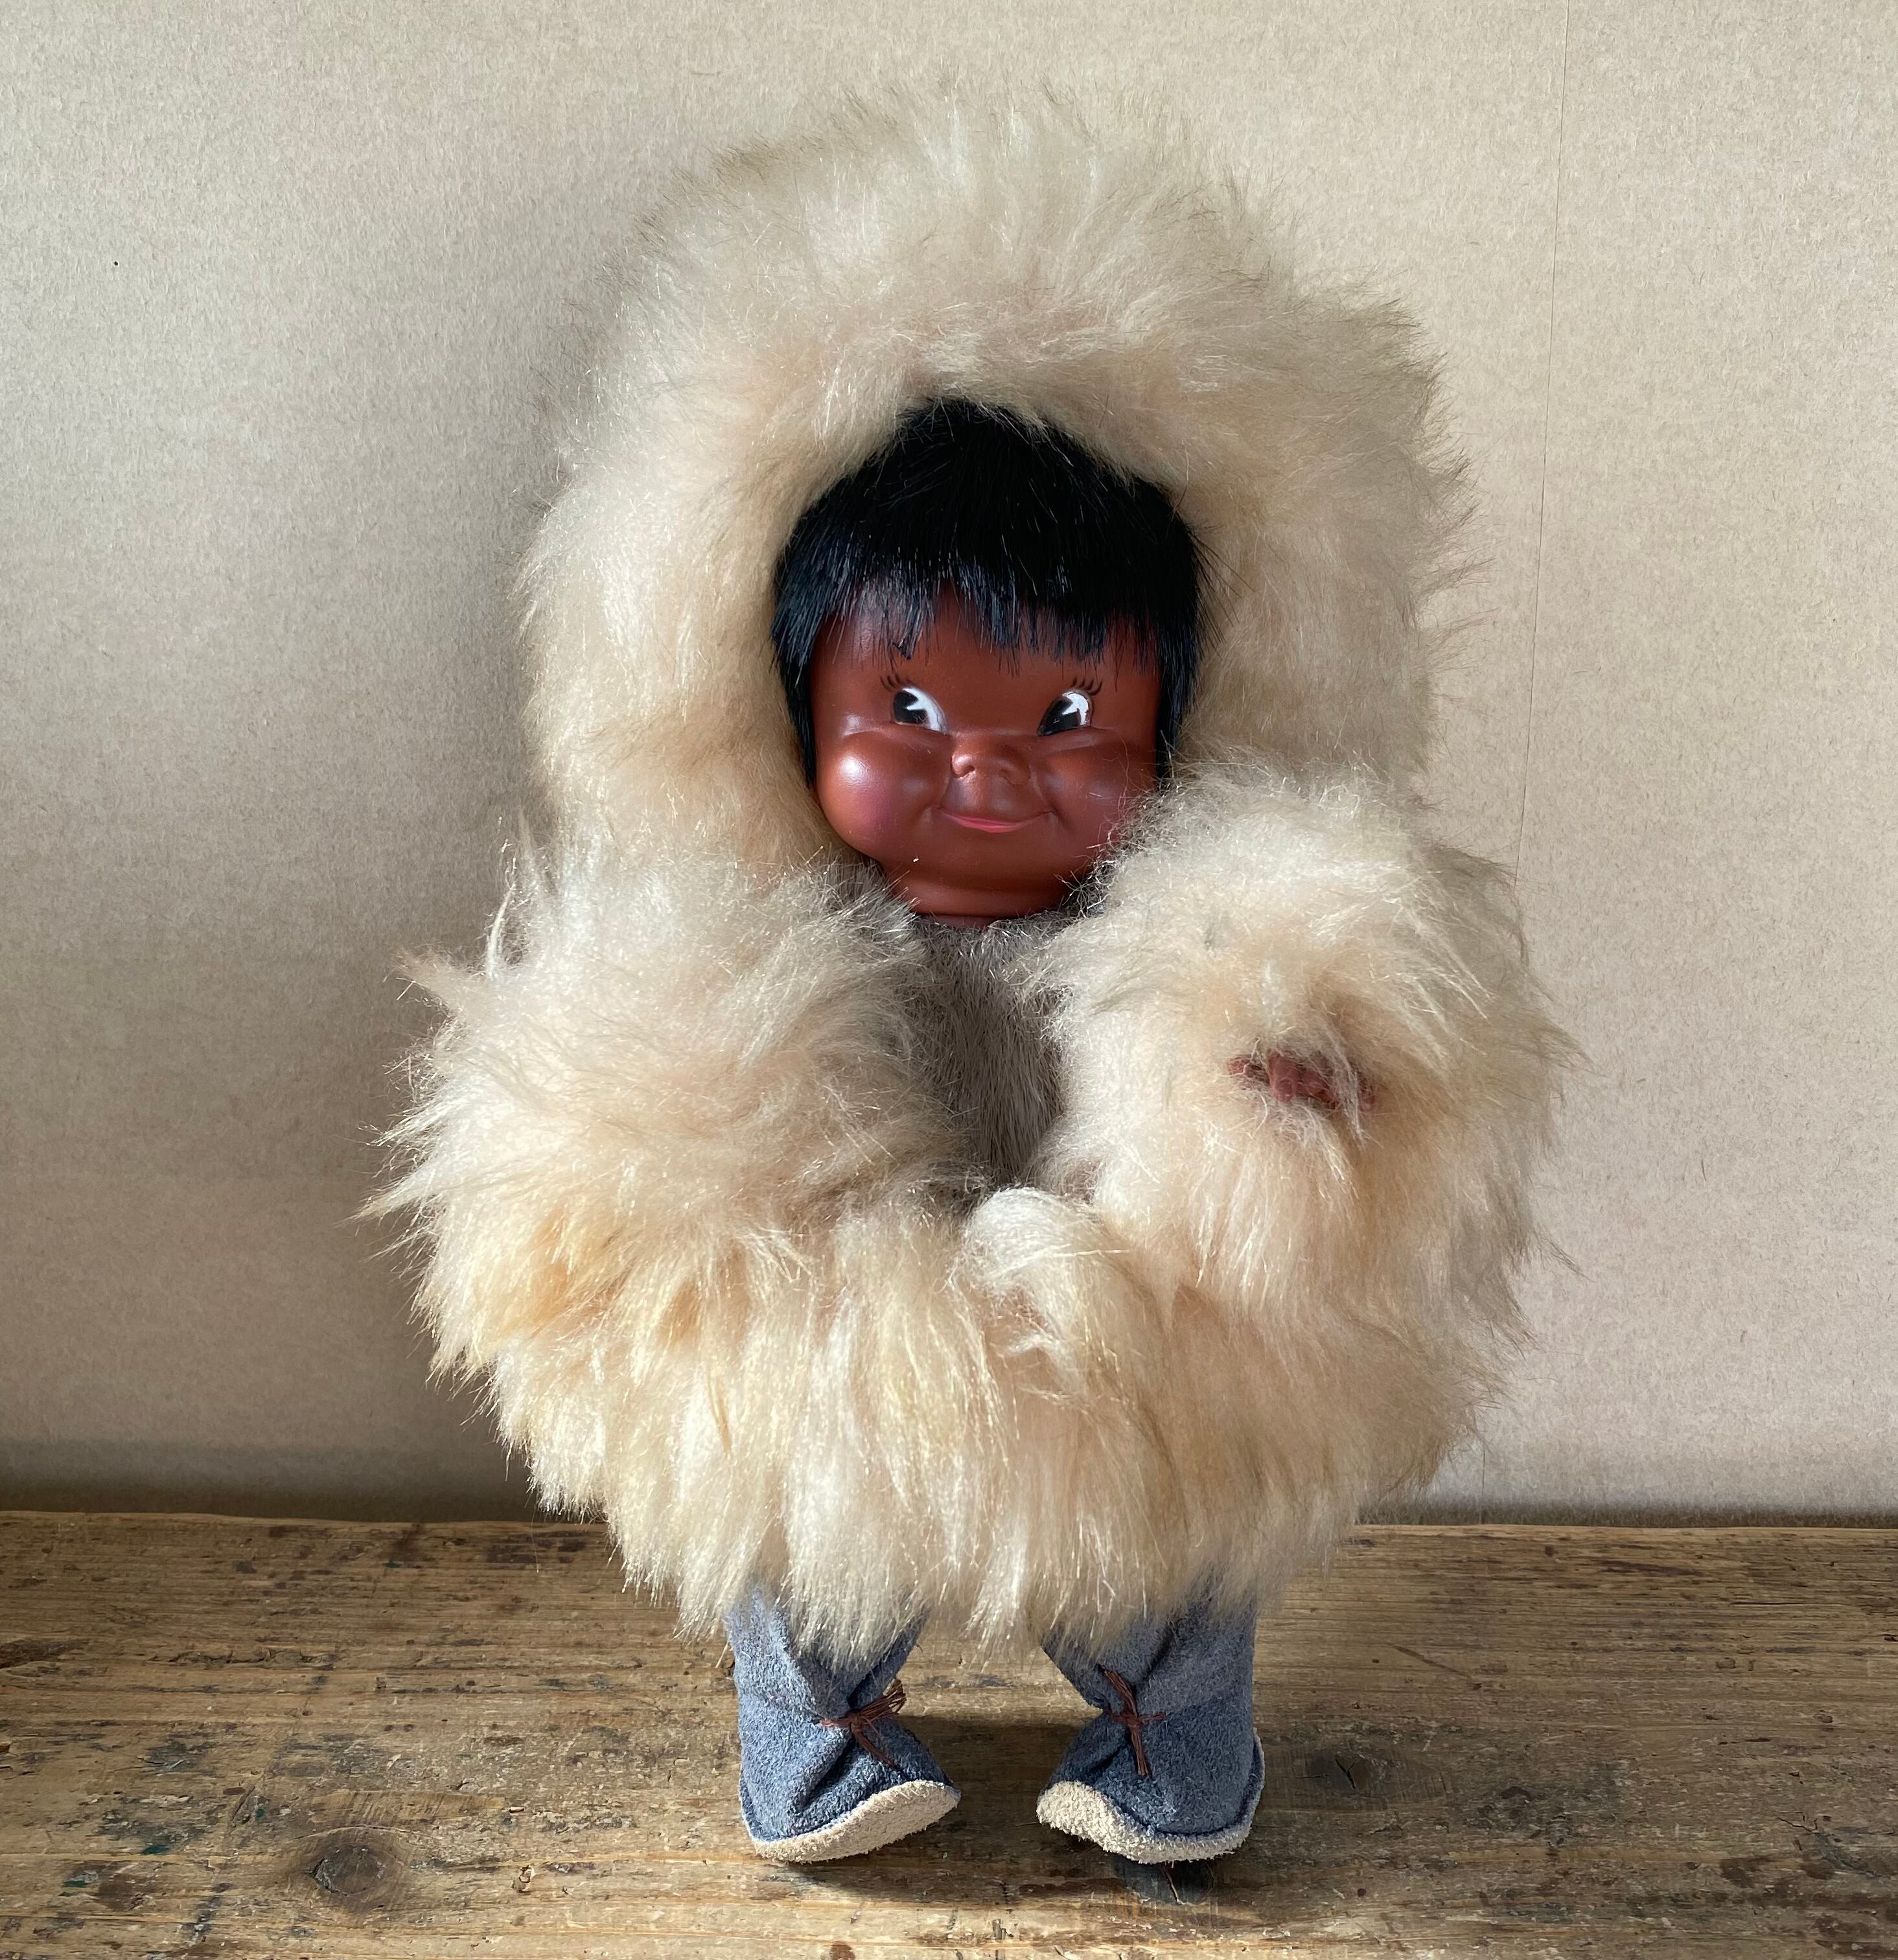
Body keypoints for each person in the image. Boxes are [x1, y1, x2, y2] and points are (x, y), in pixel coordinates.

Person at [382, 95, 1564, 1865]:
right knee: (784, 1480)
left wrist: (1297, 1096)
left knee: (1193, 1487)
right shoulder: (741, 943)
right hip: (848, 1305)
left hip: (1132, 1319)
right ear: (785, 713)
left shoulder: (1217, 927)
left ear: (1183, 720)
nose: (988, 774)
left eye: (1069, 718)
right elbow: (608, 1160)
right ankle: (817, 1727)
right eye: (912, 711)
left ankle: (1175, 1732)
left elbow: (1375, 1101)